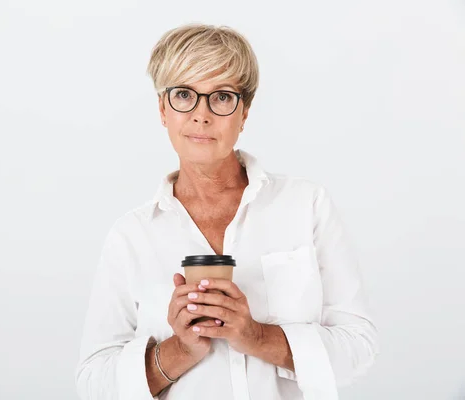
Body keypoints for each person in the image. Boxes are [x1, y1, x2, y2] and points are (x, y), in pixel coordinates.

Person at [74, 23, 379, 400]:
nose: (201, 115)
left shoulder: (306, 206)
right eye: (184, 94)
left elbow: (359, 347)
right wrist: (179, 351)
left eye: (221, 97)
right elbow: (92, 381)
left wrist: (256, 336)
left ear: (244, 112)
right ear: (162, 110)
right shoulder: (131, 235)